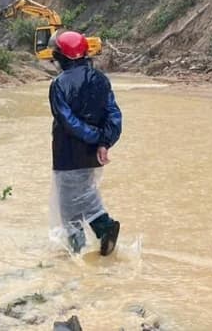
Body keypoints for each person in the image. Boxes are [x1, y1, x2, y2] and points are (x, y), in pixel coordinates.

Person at [48, 30, 122, 256]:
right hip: (93, 153)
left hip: (68, 152)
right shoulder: (100, 79)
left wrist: (96, 137)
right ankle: (93, 239)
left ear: (62, 56)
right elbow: (113, 114)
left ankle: (85, 244)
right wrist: (104, 141)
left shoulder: (58, 84)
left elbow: (67, 120)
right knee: (85, 192)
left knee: (69, 205)